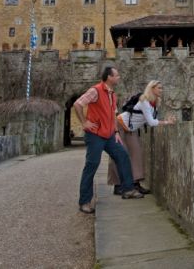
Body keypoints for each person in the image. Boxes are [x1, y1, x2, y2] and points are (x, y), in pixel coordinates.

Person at [74, 66, 143, 214]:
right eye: (116, 75)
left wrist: (116, 132)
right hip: (95, 135)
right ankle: (84, 201)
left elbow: (113, 115)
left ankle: (128, 189)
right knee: (92, 164)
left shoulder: (113, 94)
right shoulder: (95, 90)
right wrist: (84, 122)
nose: (118, 77)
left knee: (123, 155)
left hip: (109, 135)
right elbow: (78, 104)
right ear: (109, 77)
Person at [108, 80, 176, 195]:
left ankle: (135, 184)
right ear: (152, 89)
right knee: (119, 154)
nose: (161, 90)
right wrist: (166, 122)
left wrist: (165, 121)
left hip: (131, 129)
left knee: (137, 153)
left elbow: (152, 119)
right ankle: (118, 185)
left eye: (161, 88)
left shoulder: (155, 103)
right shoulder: (144, 100)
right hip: (120, 125)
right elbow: (151, 122)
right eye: (159, 88)